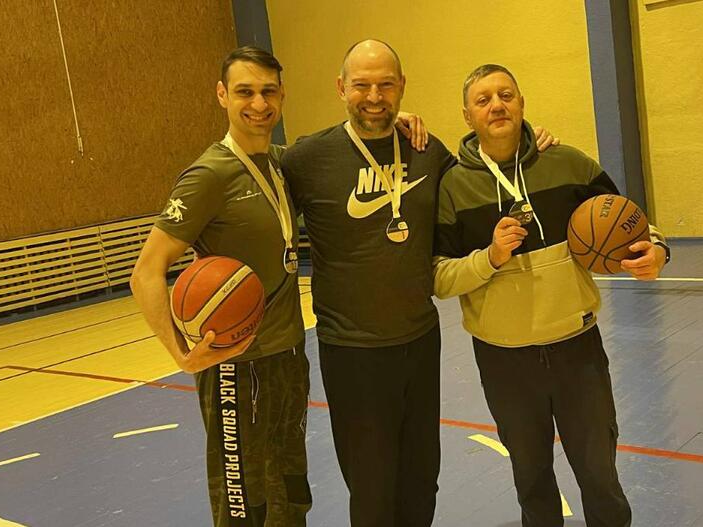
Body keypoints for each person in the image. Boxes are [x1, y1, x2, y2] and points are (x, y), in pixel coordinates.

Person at [280, 41, 557, 527]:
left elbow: (482, 175)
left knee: (421, 479)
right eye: (362, 85)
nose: (374, 96)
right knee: (371, 488)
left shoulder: (427, 150)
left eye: (386, 85)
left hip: (420, 341)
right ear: (340, 87)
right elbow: (254, 190)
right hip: (351, 350)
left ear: (402, 87)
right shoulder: (307, 157)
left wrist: (530, 148)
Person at [432, 64, 671, 527]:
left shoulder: (567, 163)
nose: (496, 105)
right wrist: (490, 258)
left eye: (506, 95)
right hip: (504, 360)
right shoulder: (453, 187)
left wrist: (658, 249)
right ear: (467, 116)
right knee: (532, 479)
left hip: (577, 349)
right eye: (483, 99)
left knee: (600, 475)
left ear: (522, 103)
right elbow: (439, 278)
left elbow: (631, 222)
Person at [130, 46, 311, 527]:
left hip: (289, 355)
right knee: (244, 509)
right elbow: (146, 271)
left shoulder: (280, 164)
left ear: (282, 95)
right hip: (234, 366)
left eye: (268, 91)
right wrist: (180, 353)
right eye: (244, 92)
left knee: (291, 496)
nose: (259, 104)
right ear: (221, 95)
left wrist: (398, 124)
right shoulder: (208, 175)